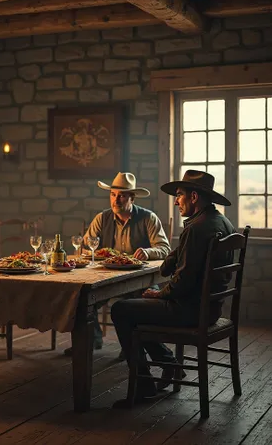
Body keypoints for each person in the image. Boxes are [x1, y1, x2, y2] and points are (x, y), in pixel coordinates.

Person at [111, 170, 235, 404]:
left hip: (190, 310)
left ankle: (144, 386)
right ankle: (170, 366)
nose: (176, 201)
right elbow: (177, 262)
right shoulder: (219, 222)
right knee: (134, 309)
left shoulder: (196, 229)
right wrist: (169, 262)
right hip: (209, 308)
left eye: (179, 195)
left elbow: (183, 282)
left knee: (121, 310)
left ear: (194, 197)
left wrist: (159, 294)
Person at [63, 172, 170, 357]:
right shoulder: (102, 218)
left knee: (137, 303)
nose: (116, 200)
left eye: (121, 195)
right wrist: (94, 253)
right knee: (80, 297)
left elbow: (165, 248)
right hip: (106, 277)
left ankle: (131, 346)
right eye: (113, 194)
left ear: (132, 197)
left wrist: (147, 252)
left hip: (138, 279)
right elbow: (88, 248)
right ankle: (91, 340)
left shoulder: (147, 218)